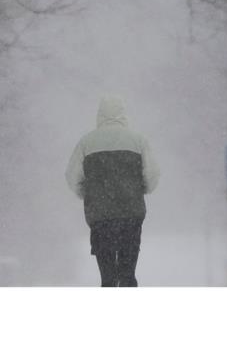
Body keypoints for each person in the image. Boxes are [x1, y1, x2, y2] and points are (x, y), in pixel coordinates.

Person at [66, 95, 159, 286]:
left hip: (100, 218)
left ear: (99, 115)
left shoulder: (86, 142)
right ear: (123, 114)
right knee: (128, 274)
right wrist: (142, 189)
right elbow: (152, 174)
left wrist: (86, 192)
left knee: (107, 277)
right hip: (131, 216)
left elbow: (72, 176)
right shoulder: (138, 141)